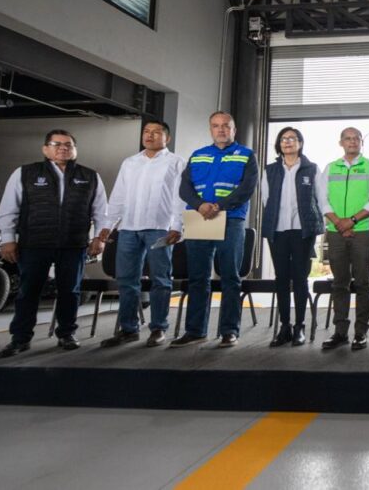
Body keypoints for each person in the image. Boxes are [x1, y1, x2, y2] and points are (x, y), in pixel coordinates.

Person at [0, 130, 108, 358]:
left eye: (68, 144)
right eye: (56, 144)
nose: (63, 148)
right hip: (34, 243)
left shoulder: (90, 176)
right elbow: (8, 209)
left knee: (70, 291)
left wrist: (99, 238)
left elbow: (101, 211)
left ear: (75, 149)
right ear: (45, 149)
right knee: (28, 292)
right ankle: (20, 338)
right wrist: (7, 239)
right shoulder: (25, 173)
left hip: (73, 244)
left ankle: (66, 334)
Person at [171, 111, 258, 349]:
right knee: (198, 277)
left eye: (226, 126)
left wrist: (218, 206)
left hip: (230, 219)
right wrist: (201, 205)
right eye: (216, 126)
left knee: (230, 276)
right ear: (210, 129)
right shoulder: (198, 155)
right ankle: (195, 331)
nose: (221, 130)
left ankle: (229, 331)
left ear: (234, 129)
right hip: (199, 217)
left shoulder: (247, 155)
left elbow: (246, 189)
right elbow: (184, 188)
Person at [99, 121, 185, 349]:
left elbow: (180, 198)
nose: (150, 135)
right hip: (128, 229)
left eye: (156, 132)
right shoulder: (130, 163)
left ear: (166, 137)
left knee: (161, 279)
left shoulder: (176, 162)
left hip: (160, 228)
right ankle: (128, 329)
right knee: (126, 280)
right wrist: (108, 225)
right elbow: (118, 195)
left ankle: (158, 328)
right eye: (147, 132)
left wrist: (177, 225)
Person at [317, 127, 369, 351]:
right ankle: (340, 332)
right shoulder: (330, 168)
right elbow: (322, 200)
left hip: (363, 231)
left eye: (356, 138)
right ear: (341, 142)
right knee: (339, 283)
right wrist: (339, 222)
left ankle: (360, 333)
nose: (352, 141)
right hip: (336, 232)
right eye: (348, 138)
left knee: (363, 283)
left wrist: (352, 221)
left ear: (361, 143)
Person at [261, 126, 323, 348]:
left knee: (299, 278)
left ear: (300, 143)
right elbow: (267, 201)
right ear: (279, 144)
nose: (288, 142)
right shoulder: (269, 170)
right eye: (284, 139)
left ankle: (300, 326)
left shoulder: (312, 169)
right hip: (277, 231)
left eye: (293, 139)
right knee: (281, 278)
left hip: (302, 230)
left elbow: (320, 199)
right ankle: (284, 326)